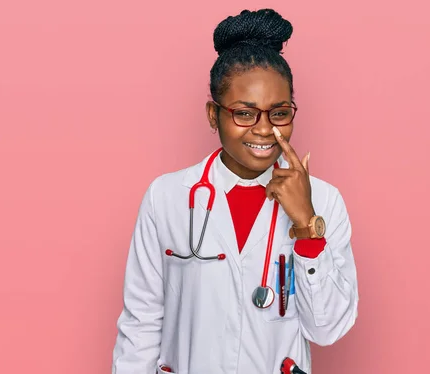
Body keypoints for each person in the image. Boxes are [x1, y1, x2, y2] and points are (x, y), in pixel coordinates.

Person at [111, 8, 359, 374]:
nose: (264, 130)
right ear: (214, 115)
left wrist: (306, 225)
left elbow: (328, 330)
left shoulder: (324, 201)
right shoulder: (166, 197)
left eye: (279, 113)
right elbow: (141, 324)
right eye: (245, 113)